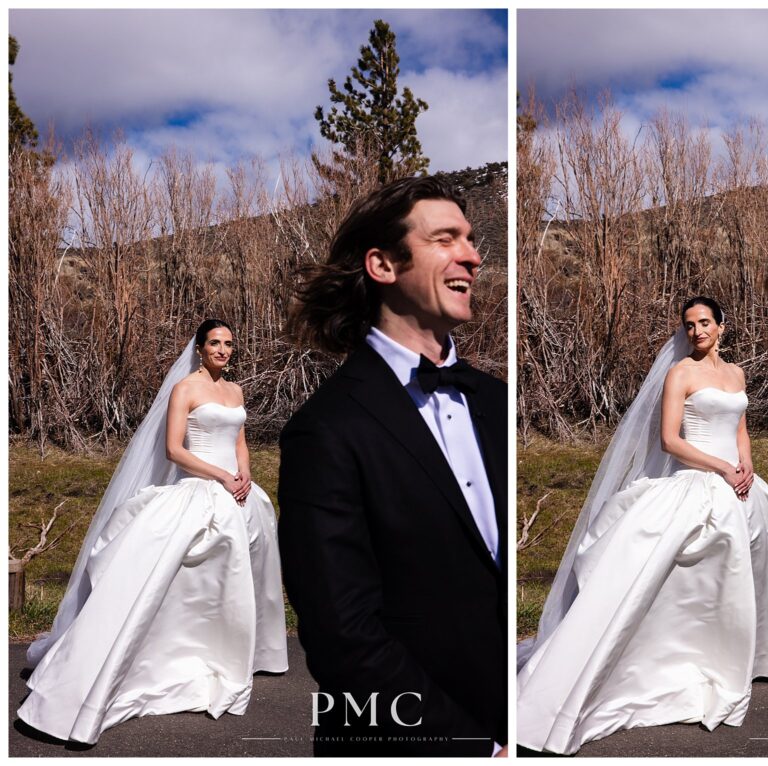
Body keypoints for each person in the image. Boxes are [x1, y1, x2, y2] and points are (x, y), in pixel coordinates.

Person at [277, 176, 507, 757]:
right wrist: (471, 746)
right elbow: (342, 636)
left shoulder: (499, 402)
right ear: (383, 265)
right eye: (446, 239)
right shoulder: (324, 428)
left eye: (472, 240)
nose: (474, 256)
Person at [517, 297, 768, 755]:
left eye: (705, 322)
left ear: (721, 326)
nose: (697, 330)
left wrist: (745, 465)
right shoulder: (680, 373)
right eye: (689, 324)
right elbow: (670, 440)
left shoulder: (736, 373)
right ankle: (675, 662)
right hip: (698, 480)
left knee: (753, 566)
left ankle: (745, 654)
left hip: (741, 484)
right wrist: (721, 469)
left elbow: (740, 426)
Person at [18, 319, 288, 745]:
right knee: (178, 571)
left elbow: (239, 439)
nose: (223, 350)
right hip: (199, 485)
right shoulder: (186, 389)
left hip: (237, 491)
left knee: (244, 564)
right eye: (215, 343)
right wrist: (221, 476)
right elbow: (174, 450)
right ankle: (167, 657)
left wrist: (245, 477)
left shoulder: (234, 391)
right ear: (200, 349)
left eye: (229, 344)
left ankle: (234, 649)